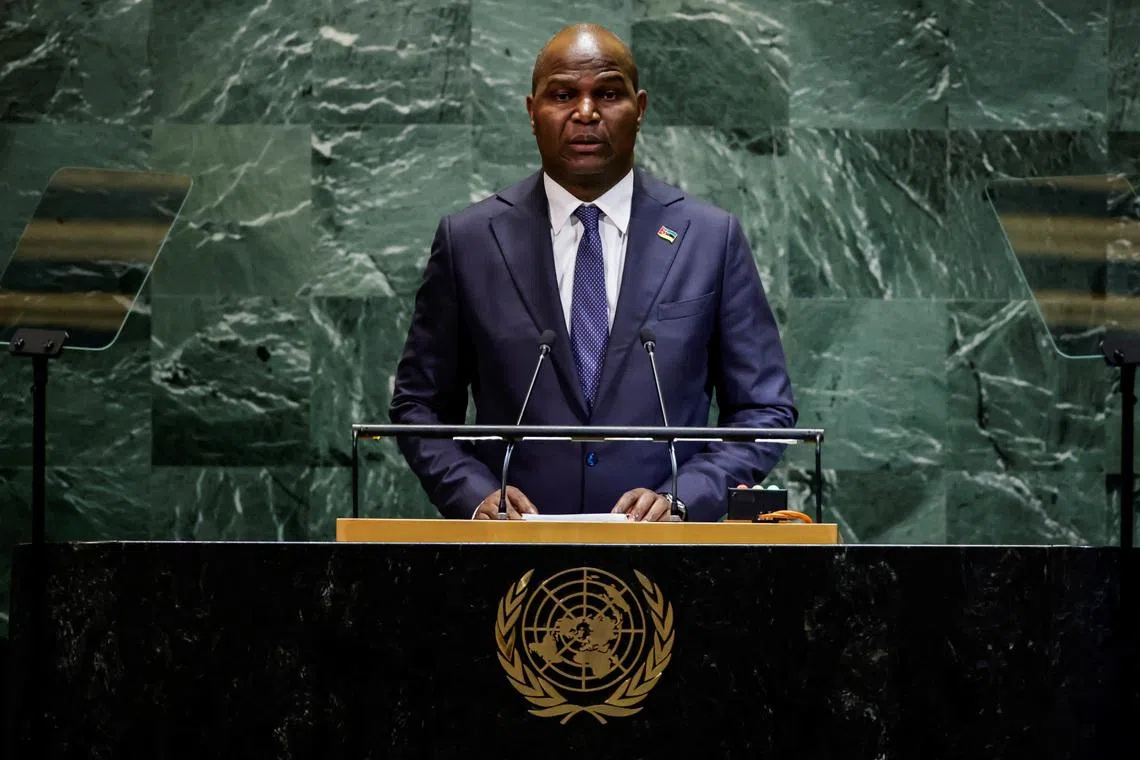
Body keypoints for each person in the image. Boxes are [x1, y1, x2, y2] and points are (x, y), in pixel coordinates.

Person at [389, 23, 796, 522]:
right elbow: (419, 406)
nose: (585, 112)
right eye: (563, 95)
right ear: (532, 112)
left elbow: (764, 410)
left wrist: (685, 496)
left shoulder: (709, 238)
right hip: (513, 552)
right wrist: (474, 494)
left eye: (607, 94)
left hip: (668, 553)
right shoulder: (469, 241)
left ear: (639, 109)